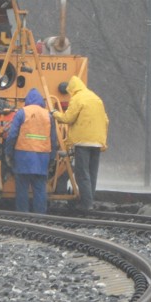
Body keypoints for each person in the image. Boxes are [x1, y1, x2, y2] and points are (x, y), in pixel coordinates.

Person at [52, 76, 108, 211]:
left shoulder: (78, 98)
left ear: (72, 89)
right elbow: (106, 120)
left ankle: (86, 204)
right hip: (97, 142)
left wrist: (55, 114)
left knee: (82, 173)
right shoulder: (96, 98)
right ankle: (89, 200)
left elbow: (68, 118)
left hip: (83, 142)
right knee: (92, 173)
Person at [5, 88, 58, 214]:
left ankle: (23, 214)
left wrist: (8, 153)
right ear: (41, 101)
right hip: (42, 157)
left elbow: (12, 135)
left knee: (22, 187)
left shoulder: (22, 113)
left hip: (23, 156)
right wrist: (52, 158)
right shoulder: (48, 115)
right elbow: (53, 139)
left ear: (27, 100)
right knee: (40, 188)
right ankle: (40, 215)